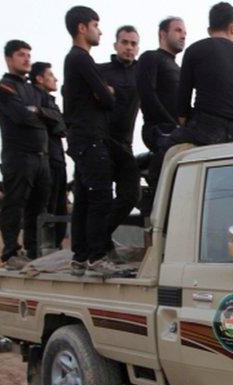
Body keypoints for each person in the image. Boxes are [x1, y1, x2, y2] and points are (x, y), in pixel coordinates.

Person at [63, 5, 121, 277]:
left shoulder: (76, 60)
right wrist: (106, 92)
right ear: (82, 28)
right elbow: (108, 99)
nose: (99, 31)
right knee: (100, 196)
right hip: (90, 138)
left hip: (82, 138)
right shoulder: (81, 59)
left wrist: (104, 93)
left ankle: (80, 257)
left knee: (85, 198)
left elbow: (103, 95)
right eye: (96, 25)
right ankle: (97, 257)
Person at [0, 39, 52, 269]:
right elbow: (22, 117)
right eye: (21, 54)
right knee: (14, 203)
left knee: (38, 207)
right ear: (9, 59)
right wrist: (40, 114)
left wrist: (41, 112)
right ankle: (11, 252)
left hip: (41, 156)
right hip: (19, 156)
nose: (27, 58)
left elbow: (56, 119)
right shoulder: (5, 88)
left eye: (29, 54)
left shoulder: (34, 90)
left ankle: (34, 250)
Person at [172, 3, 233, 146]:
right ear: (232, 27)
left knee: (162, 152)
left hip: (204, 130)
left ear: (209, 30)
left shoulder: (195, 50)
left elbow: (182, 104)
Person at [97, 25, 141, 235]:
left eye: (133, 44)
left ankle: (101, 236)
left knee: (131, 195)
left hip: (125, 144)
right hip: (101, 143)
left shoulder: (143, 72)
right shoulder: (100, 71)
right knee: (98, 200)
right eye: (124, 43)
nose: (129, 48)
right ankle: (98, 246)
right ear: (116, 45)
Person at [136, 16, 185, 200]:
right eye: (178, 30)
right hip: (160, 131)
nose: (183, 36)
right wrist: (171, 127)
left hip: (178, 134)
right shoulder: (151, 58)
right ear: (163, 34)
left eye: (184, 32)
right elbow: (147, 96)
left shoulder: (178, 68)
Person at [29, 61, 68, 248]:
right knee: (46, 207)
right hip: (46, 160)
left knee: (59, 207)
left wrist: (48, 115)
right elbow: (55, 122)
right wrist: (51, 117)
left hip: (57, 158)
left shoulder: (48, 101)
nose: (55, 79)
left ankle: (55, 246)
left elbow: (62, 126)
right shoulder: (34, 97)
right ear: (39, 78)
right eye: (50, 75)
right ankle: (42, 248)